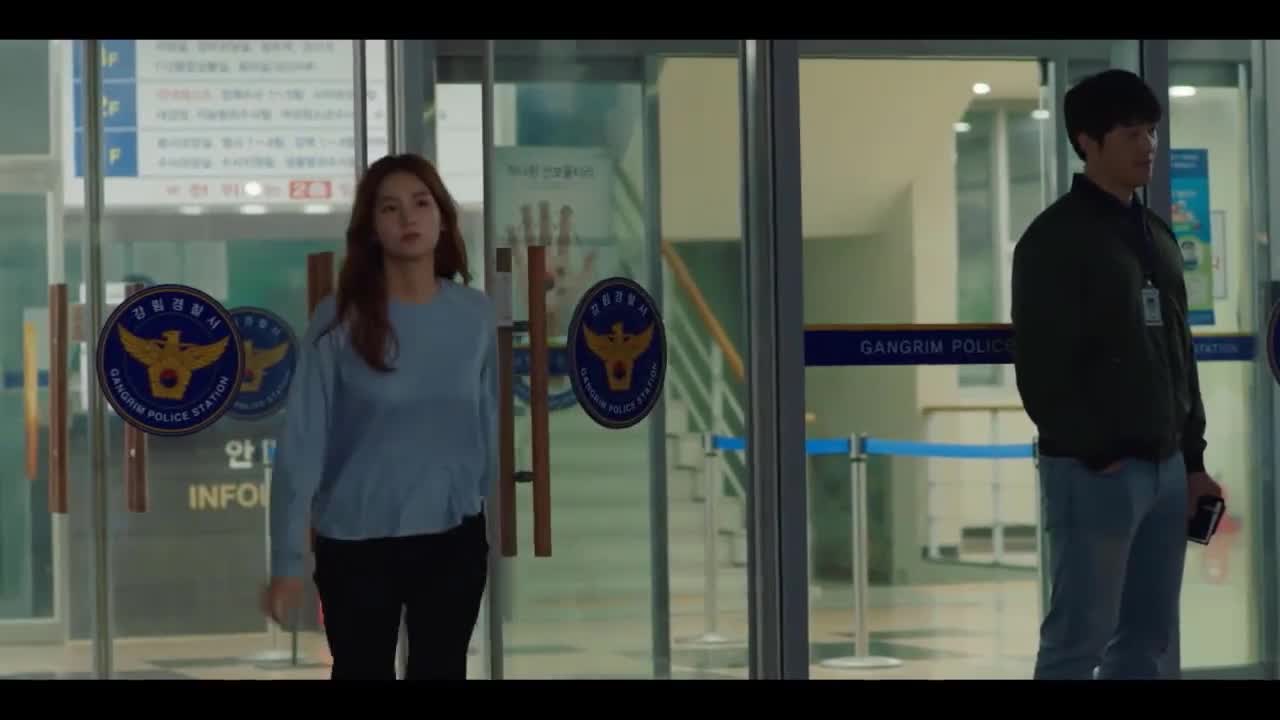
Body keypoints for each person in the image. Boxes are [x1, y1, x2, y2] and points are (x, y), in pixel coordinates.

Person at [1011, 69, 1223, 680]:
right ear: (1087, 141)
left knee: (1147, 638)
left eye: (1151, 131)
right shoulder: (1055, 239)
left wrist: (1192, 460)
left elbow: (1178, 351)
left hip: (1165, 468)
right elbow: (1043, 365)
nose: (1148, 145)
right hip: (1096, 472)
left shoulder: (1156, 234)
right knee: (1080, 637)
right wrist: (1095, 449)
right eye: (1131, 133)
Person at [261, 153, 497, 680]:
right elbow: (302, 445)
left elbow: (487, 423)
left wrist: (492, 510)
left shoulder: (475, 315)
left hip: (452, 537)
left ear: (442, 218)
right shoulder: (339, 319)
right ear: (372, 228)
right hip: (356, 541)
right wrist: (288, 562)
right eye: (390, 208)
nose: (408, 218)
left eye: (421, 203)